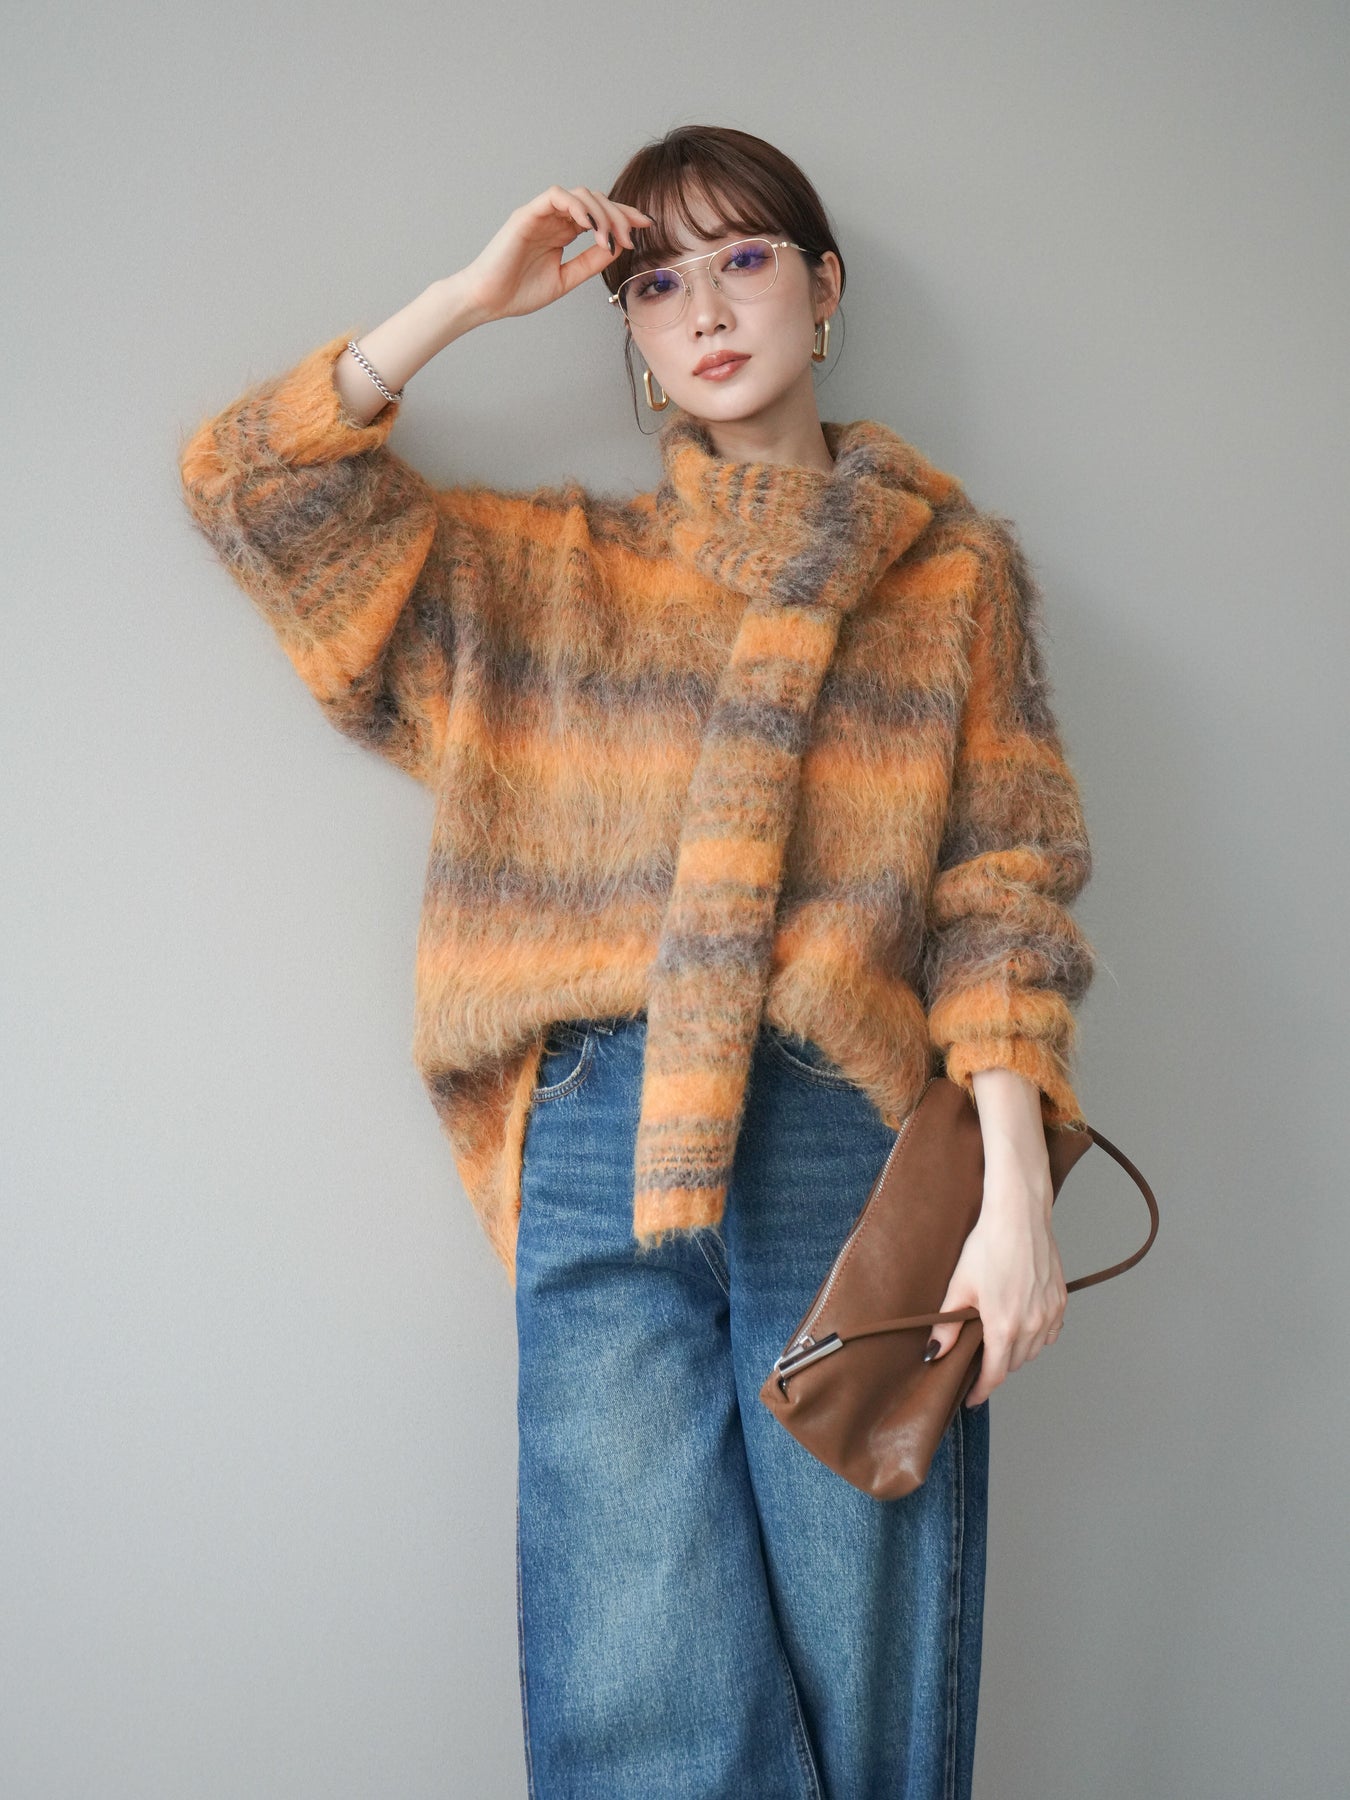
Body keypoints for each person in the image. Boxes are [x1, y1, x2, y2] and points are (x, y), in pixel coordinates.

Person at [178, 124, 1095, 1800]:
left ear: (823, 287)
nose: (707, 309)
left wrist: (1015, 1197)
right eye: (657, 283)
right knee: (632, 1671)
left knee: (868, 1660)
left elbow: (1005, 894)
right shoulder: (545, 576)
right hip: (603, 1135)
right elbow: (253, 490)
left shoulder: (952, 580)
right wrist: (465, 301)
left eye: (745, 259)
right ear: (628, 331)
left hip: (848, 1153)